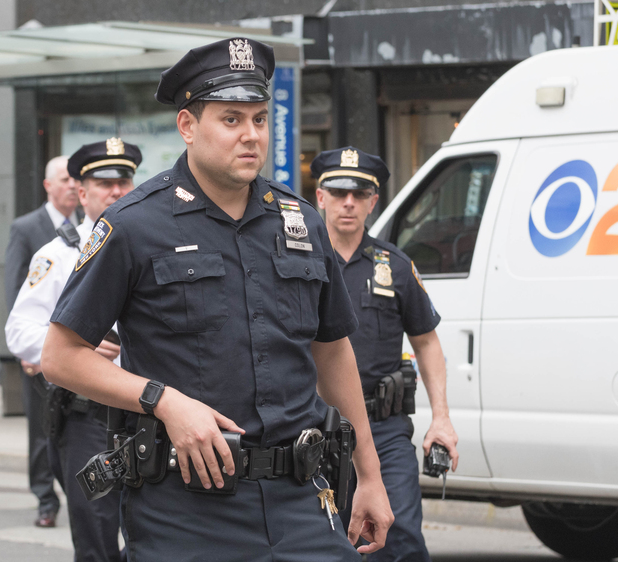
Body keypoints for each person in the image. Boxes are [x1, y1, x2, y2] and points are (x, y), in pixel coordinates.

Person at [42, 38, 394, 561]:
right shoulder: (134, 224)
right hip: (186, 509)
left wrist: (370, 474)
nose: (251, 135)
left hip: (301, 499)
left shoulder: (300, 221)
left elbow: (332, 349)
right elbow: (60, 356)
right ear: (188, 126)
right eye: (231, 119)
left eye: (259, 118)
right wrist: (165, 401)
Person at [311, 147, 459, 562]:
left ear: (373, 201)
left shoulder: (394, 266)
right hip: (316, 427)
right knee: (324, 543)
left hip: (384, 429)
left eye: (359, 194)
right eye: (338, 192)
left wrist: (441, 418)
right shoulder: (300, 265)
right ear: (320, 197)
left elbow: (427, 342)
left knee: (400, 536)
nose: (348, 203)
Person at [6, 139, 140, 562]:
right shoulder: (59, 254)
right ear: (82, 193)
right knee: (96, 535)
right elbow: (19, 330)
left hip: (147, 413)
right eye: (104, 184)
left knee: (152, 534)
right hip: (89, 418)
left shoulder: (154, 245)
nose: (116, 191)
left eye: (124, 182)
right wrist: (70, 348)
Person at [4, 155, 77, 527]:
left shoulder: (90, 226)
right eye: (64, 179)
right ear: (48, 186)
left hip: (79, 351)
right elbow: (15, 288)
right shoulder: (26, 227)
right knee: (40, 428)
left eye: (74, 179)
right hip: (40, 347)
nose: (71, 186)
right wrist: (28, 348)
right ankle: (45, 499)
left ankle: (76, 495)